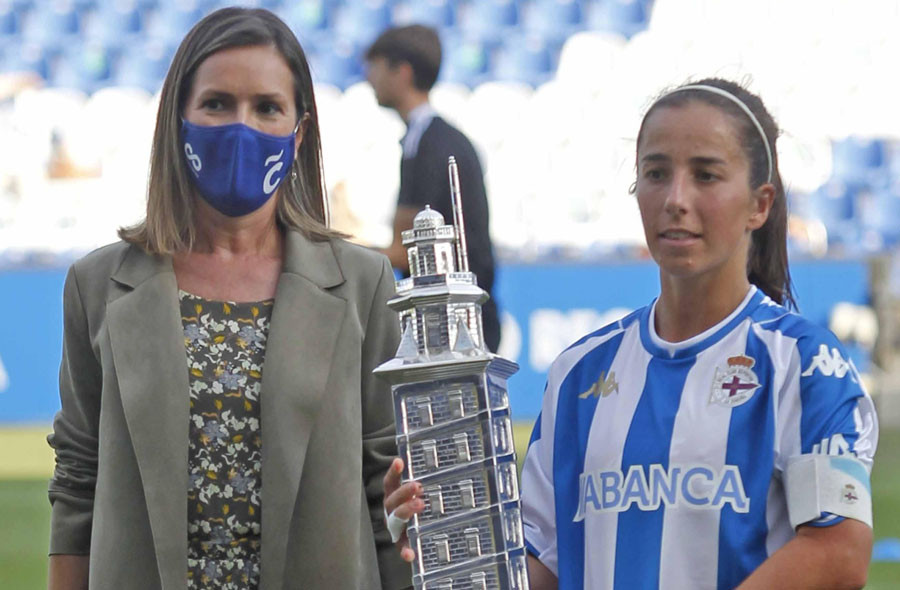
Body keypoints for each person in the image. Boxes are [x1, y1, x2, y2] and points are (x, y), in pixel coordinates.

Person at [382, 78, 879, 589]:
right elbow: (542, 566)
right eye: (656, 174)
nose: (675, 198)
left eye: (706, 175)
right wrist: (445, 534)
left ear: (760, 204)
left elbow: (837, 552)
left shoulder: (805, 362)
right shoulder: (579, 372)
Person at [46, 8, 407, 589]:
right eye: (217, 103)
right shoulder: (99, 286)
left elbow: (386, 487)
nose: (242, 128)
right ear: (177, 120)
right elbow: (77, 483)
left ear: (300, 131)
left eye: (267, 107)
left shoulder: (362, 285)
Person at [364, 24, 502, 352]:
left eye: (376, 67)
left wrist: (337, 257)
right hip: (462, 314)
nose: (369, 78)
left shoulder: (429, 144)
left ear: (403, 72)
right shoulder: (437, 138)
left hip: (457, 325)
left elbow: (404, 250)